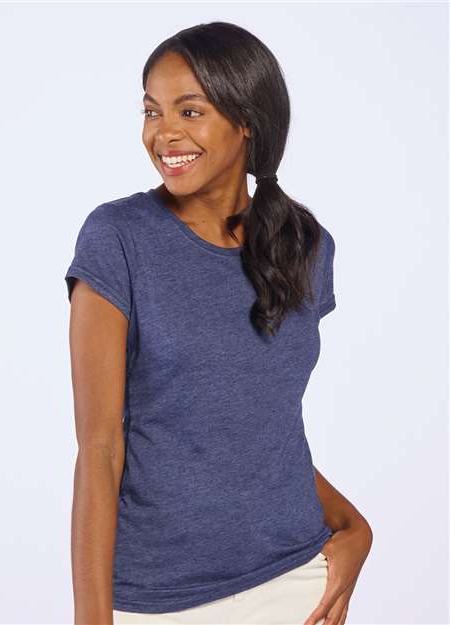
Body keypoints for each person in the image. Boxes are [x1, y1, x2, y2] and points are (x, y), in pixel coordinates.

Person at [64, 21, 372, 625]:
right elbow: (99, 449)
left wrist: (353, 526)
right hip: (159, 599)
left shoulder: (306, 245)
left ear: (246, 120)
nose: (164, 133)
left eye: (190, 111)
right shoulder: (118, 238)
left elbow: (256, 430)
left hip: (298, 583)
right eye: (152, 111)